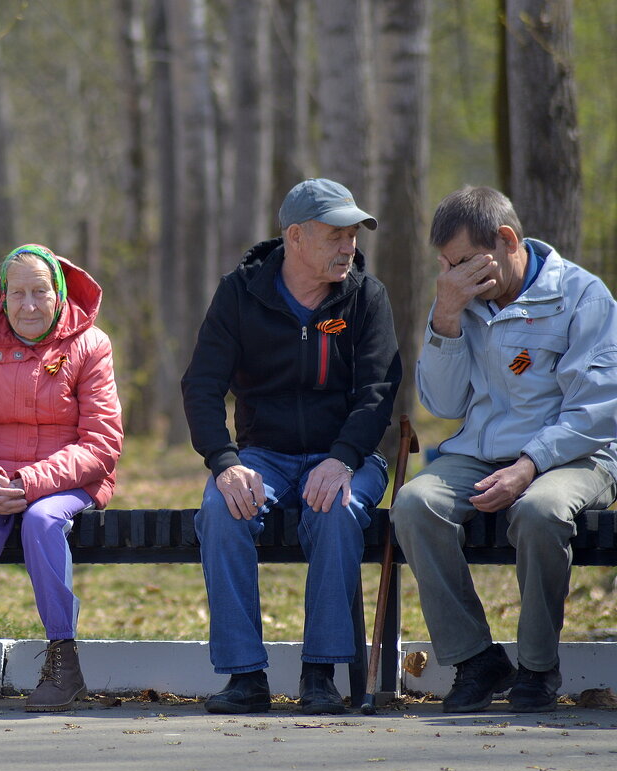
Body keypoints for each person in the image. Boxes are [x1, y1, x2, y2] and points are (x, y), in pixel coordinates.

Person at [390, 187, 617, 714]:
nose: (452, 276)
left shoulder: (583, 297)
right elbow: (443, 402)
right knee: (414, 503)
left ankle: (537, 669)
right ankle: (476, 660)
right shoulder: (457, 299)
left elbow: (598, 410)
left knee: (539, 511)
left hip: (576, 455)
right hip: (480, 451)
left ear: (507, 241)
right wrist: (444, 317)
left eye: (462, 261)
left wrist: (530, 464)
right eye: (444, 265)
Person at [181, 179, 401, 715]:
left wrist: (343, 458)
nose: (349, 246)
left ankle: (319, 674)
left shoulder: (366, 297)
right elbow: (201, 385)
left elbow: (378, 392)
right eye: (336, 235)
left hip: (348, 454)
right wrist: (224, 462)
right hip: (263, 455)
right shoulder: (240, 293)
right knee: (220, 509)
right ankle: (244, 677)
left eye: (353, 234)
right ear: (295, 237)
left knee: (336, 510)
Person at [0, 244, 123, 713]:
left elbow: (102, 443)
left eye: (40, 291)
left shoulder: (91, 344)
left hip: (67, 480)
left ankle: (64, 659)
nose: (29, 305)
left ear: (58, 293)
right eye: (17, 293)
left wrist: (31, 481)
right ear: (1, 295)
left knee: (42, 521)